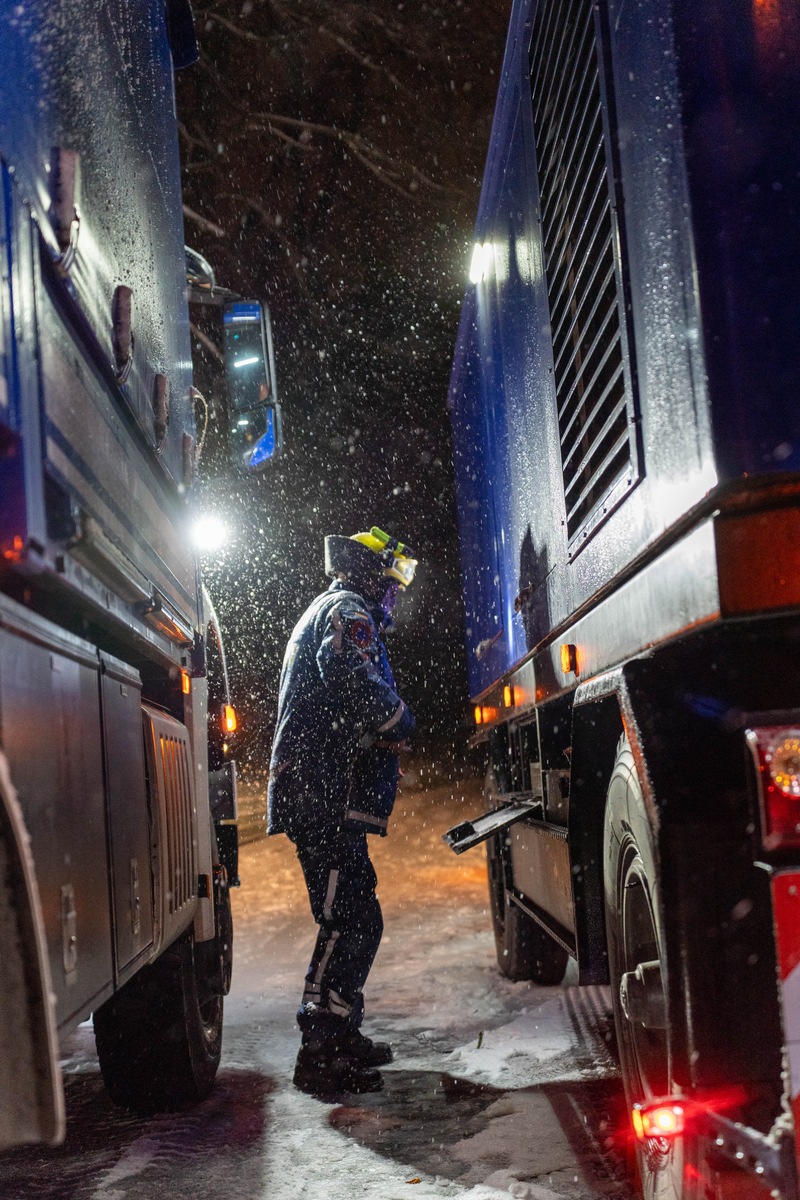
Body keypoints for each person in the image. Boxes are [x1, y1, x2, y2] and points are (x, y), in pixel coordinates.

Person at [267, 527, 417, 1095]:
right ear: (370, 574)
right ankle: (320, 1050)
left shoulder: (337, 607)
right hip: (321, 797)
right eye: (391, 581)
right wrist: (399, 720)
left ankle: (340, 1032)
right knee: (350, 920)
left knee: (355, 913)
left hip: (323, 795)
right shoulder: (347, 610)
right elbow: (353, 678)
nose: (393, 594)